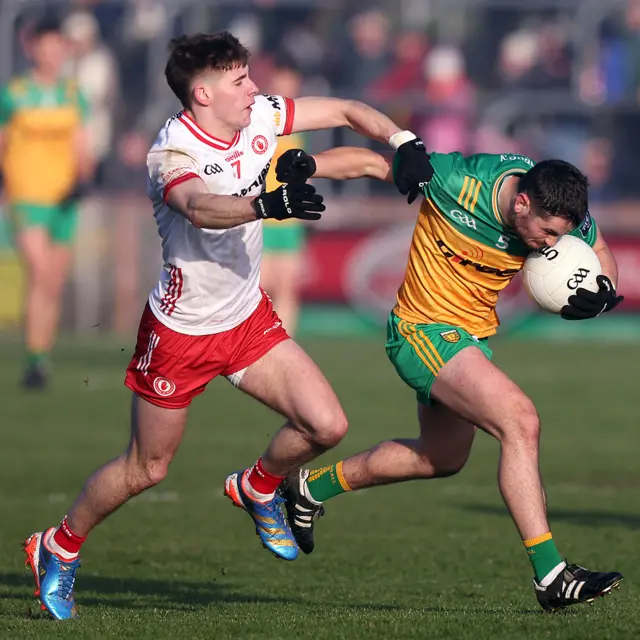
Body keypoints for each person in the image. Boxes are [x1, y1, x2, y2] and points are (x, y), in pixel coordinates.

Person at [21, 31, 434, 620]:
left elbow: (344, 109)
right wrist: (266, 205)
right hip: (180, 333)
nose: (254, 88)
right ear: (203, 93)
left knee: (327, 424)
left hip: (245, 318)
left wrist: (402, 141)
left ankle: (259, 485)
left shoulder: (259, 115)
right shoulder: (172, 152)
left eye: (249, 75)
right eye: (239, 80)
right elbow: (199, 209)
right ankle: (57, 547)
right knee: (147, 468)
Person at [275, 146, 624, 613]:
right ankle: (552, 575)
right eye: (545, 233)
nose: (548, 246)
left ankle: (308, 489)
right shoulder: (457, 180)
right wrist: (309, 165)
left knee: (441, 457)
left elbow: (597, 250)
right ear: (521, 202)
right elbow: (376, 163)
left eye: (557, 238)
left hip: (468, 340)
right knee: (520, 421)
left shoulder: (559, 210)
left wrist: (604, 290)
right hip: (421, 332)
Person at [0, 16, 94, 389]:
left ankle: (41, 357)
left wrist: (84, 176)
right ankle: (36, 357)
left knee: (52, 282)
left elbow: (81, 144)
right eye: (46, 45)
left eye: (59, 46)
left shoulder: (73, 94)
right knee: (39, 272)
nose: (53, 53)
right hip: (27, 197)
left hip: (63, 200)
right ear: (32, 48)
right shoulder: (15, 93)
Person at [260, 60, 306, 337]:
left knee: (287, 286)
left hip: (290, 220)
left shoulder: (303, 121)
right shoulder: (258, 118)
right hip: (262, 215)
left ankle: (283, 342)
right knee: (260, 286)